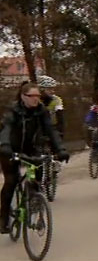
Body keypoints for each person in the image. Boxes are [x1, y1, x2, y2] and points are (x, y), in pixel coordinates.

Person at [0, 82, 69, 234]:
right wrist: (4, 145)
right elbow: (6, 128)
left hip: (31, 148)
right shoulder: (13, 110)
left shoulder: (41, 110)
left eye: (38, 96)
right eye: (32, 96)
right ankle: (4, 217)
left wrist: (61, 149)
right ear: (23, 96)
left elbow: (50, 130)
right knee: (11, 181)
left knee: (39, 171)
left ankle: (35, 199)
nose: (36, 99)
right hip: (10, 148)